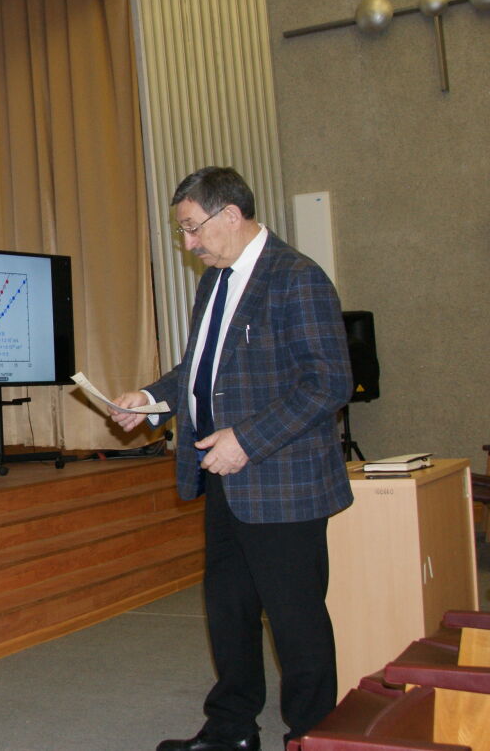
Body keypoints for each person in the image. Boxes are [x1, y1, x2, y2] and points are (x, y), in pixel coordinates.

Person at [107, 166, 352, 751]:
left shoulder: (297, 278)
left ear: (231, 215)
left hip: (282, 482)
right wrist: (151, 399)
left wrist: (247, 440)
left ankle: (312, 737)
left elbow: (329, 383)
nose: (188, 243)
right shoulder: (215, 281)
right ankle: (231, 730)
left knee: (296, 622)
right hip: (224, 478)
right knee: (229, 611)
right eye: (183, 231)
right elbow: (201, 370)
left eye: (193, 227)